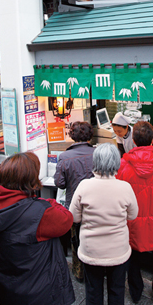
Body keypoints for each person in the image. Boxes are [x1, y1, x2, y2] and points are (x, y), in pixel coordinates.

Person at [0, 152, 75, 305]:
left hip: (10, 288)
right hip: (37, 295)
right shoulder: (39, 213)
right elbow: (66, 219)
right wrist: (45, 201)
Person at [69, 143, 138, 305]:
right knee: (116, 289)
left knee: (93, 289)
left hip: (91, 250)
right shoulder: (125, 187)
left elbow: (73, 217)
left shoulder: (85, 185)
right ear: (116, 162)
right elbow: (133, 215)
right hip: (118, 250)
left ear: (96, 162)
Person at [116, 120, 153, 305]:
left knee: (133, 258)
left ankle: (135, 292)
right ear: (152, 141)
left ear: (133, 140)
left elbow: (118, 191)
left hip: (133, 220)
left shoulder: (123, 164)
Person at [54, 121, 95, 282]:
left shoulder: (64, 157)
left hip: (74, 206)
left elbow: (60, 183)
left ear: (72, 136)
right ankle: (95, 268)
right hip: (94, 205)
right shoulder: (96, 153)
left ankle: (79, 272)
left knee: (76, 239)